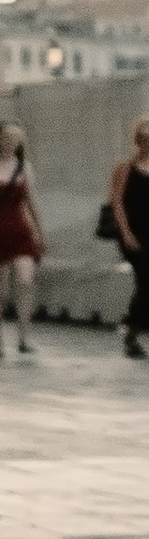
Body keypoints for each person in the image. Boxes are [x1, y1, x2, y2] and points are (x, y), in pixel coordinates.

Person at [0, 122, 45, 359]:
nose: (9, 143)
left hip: (20, 232)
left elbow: (31, 202)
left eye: (14, 139)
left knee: (25, 281)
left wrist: (39, 231)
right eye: (5, 138)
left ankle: (24, 336)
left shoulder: (24, 168)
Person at [108, 116, 149, 359]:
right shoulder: (126, 168)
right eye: (143, 138)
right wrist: (125, 233)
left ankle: (131, 328)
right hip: (134, 234)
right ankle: (131, 330)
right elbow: (117, 203)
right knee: (146, 280)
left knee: (145, 285)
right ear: (137, 141)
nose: (147, 143)